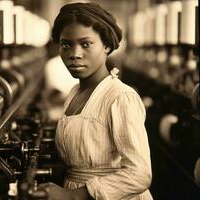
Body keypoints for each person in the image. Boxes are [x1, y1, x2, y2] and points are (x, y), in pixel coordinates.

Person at [40, 2, 153, 200]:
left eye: (86, 44)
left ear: (107, 46)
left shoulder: (120, 97)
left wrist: (72, 196)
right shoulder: (76, 92)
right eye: (66, 44)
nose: (74, 54)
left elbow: (140, 174)